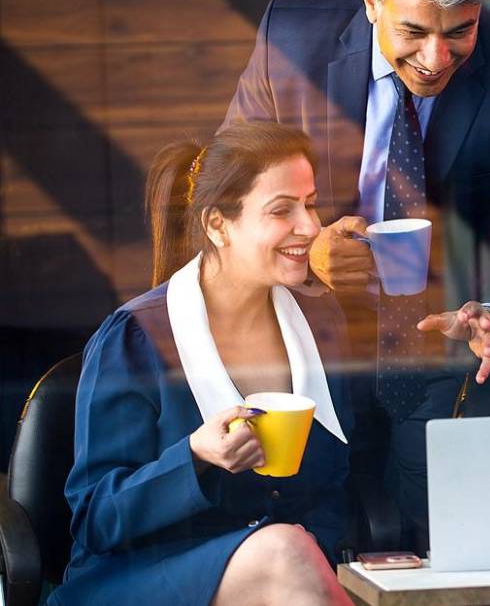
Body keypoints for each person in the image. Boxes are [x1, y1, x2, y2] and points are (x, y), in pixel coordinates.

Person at [223, 0, 490, 535]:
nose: (436, 58)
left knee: (450, 547)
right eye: (413, 31)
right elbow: (226, 205)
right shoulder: (291, 41)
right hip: (305, 352)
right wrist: (304, 254)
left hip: (448, 361)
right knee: (316, 546)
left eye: (460, 31)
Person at [51, 122, 353, 606]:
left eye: (311, 203)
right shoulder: (134, 339)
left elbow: (341, 483)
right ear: (217, 225)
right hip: (141, 577)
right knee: (282, 551)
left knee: (292, 553)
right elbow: (95, 518)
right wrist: (193, 456)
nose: (311, 227)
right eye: (282, 210)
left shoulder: (321, 320)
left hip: (297, 577)